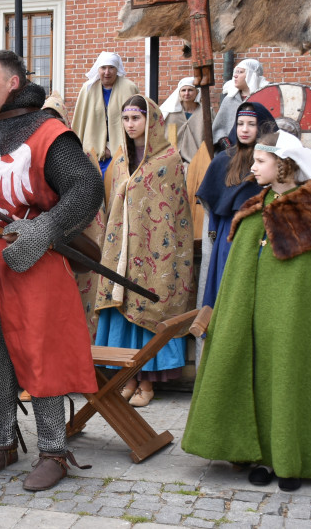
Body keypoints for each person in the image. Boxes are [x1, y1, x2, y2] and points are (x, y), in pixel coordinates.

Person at [183, 130, 311, 492]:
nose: (253, 168)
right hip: (254, 321)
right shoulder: (253, 209)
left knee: (289, 376)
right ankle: (261, 456)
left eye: (261, 161)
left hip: (294, 323)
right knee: (259, 379)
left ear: (284, 165)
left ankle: (290, 459)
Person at [0, 51, 104, 492]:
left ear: (13, 83)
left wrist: (45, 230)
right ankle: (1, 442)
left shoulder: (48, 132)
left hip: (33, 256)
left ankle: (54, 451)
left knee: (42, 351)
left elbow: (86, 187)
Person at [92, 96, 193, 408]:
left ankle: (147, 382)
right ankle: (129, 379)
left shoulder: (169, 161)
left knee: (146, 306)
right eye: (125, 119)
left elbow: (174, 214)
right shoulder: (122, 161)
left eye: (136, 118)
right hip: (122, 249)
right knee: (122, 308)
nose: (130, 124)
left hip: (154, 252)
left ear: (151, 121)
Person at [195, 102, 276, 309]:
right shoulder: (223, 161)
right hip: (228, 235)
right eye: (240, 124)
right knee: (227, 287)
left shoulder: (272, 161)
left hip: (261, 234)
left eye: (251, 124)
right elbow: (211, 206)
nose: (244, 129)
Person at [70, 52, 139, 176]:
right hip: (93, 155)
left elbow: (138, 121)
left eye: (111, 67)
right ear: (98, 69)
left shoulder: (129, 88)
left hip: (122, 153)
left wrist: (111, 148)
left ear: (117, 69)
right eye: (103, 68)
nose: (107, 72)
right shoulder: (88, 89)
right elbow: (80, 123)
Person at [211, 59, 269, 148]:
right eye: (235, 72)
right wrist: (226, 145)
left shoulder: (265, 99)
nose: (235, 75)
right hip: (232, 151)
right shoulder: (229, 100)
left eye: (240, 72)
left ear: (251, 75)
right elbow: (219, 129)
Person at [160, 77, 204, 163]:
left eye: (190, 90)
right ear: (179, 93)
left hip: (198, 160)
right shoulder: (171, 113)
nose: (186, 93)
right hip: (173, 160)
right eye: (183, 90)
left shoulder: (205, 112)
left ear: (197, 92)